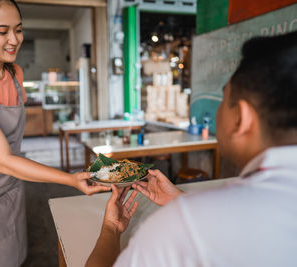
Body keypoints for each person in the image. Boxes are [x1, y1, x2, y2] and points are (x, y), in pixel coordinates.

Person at [86, 31, 297, 267]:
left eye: (223, 99)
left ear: (241, 118)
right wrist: (179, 199)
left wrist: (111, 229)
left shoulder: (181, 228)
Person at [0, 1, 109, 266]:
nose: (13, 39)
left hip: (9, 184)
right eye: (2, 31)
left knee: (12, 256)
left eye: (18, 30)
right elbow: (3, 158)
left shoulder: (15, 72)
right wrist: (71, 179)